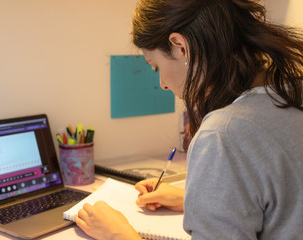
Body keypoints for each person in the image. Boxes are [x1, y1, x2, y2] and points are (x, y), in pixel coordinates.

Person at [75, 0, 303, 239]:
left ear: (180, 46)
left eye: (155, 67)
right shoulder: (293, 93)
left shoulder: (224, 133)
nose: (162, 84)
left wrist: (116, 234)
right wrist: (194, 200)